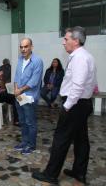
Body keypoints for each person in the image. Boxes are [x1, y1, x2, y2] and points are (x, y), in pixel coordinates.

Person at [32, 26, 97, 185]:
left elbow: (78, 85)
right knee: (81, 139)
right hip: (83, 103)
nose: (63, 42)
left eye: (66, 39)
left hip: (75, 104)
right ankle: (79, 172)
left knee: (61, 139)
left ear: (76, 41)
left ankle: (51, 174)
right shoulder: (86, 55)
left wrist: (67, 106)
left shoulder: (80, 58)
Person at [13, 38, 43, 155]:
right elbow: (16, 76)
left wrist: (19, 90)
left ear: (31, 47)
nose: (23, 49)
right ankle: (24, 142)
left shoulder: (37, 61)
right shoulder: (20, 59)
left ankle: (31, 145)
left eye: (26, 46)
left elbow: (34, 81)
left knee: (30, 122)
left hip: (29, 96)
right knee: (22, 121)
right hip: (19, 95)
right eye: (21, 47)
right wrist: (16, 89)